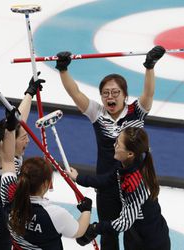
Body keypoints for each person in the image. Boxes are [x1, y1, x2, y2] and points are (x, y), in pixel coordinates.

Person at [55, 45, 165, 249]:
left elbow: (148, 94)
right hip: (106, 186)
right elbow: (75, 93)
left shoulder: (136, 112)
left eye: (115, 92)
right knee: (109, 236)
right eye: (105, 93)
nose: (110, 97)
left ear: (125, 95)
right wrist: (63, 70)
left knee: (134, 233)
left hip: (133, 186)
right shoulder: (97, 114)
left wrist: (150, 66)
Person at [0, 110, 92, 249]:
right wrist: (86, 210)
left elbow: (7, 160)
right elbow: (78, 231)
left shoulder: (9, 196)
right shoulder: (54, 214)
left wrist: (9, 128)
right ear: (46, 184)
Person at [0, 73, 45, 250]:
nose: (28, 141)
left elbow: (22, 119)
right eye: (24, 138)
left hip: (5, 231)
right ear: (9, 141)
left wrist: (30, 92)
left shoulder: (14, 155)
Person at [67, 127, 171, 250]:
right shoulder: (125, 165)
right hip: (135, 234)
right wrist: (79, 178)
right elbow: (106, 180)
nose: (114, 145)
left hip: (150, 242)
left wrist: (95, 228)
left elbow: (124, 223)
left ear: (130, 154)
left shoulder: (135, 184)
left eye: (118, 144)